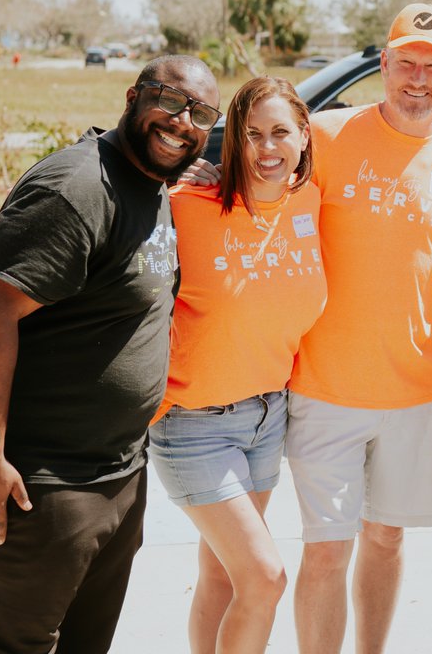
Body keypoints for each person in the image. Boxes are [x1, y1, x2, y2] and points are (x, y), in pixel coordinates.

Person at [0, 55, 216, 653]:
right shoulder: (77, 188)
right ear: (132, 96)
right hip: (30, 485)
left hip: (112, 476)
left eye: (200, 113)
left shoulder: (151, 188)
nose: (181, 121)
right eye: (169, 100)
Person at [280, 4, 432, 653]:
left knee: (385, 541)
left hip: (414, 391)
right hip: (322, 388)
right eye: (406, 64)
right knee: (327, 551)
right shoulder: (322, 136)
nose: (418, 79)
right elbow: (254, 199)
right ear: (383, 65)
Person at [149, 76, 325, 654]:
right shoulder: (185, 206)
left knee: (224, 575)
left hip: (267, 417)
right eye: (251, 134)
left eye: (280, 132)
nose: (266, 148)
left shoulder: (313, 200)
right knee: (265, 577)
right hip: (192, 422)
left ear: (304, 135)